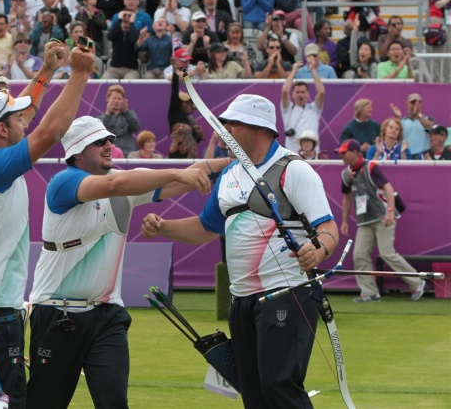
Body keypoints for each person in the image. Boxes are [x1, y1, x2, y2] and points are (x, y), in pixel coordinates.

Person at [141, 93, 338, 409]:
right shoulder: (230, 174)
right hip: (242, 300)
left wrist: (316, 251)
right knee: (254, 391)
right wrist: (164, 226)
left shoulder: (293, 169)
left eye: (232, 124)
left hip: (286, 292)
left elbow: (328, 230)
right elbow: (206, 228)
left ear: (258, 128)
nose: (224, 131)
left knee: (279, 385)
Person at [26, 115, 218, 408]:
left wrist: (240, 164)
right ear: (76, 151)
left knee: (114, 401)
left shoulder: (123, 182)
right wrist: (179, 174)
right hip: (57, 312)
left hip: (107, 316)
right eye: (98, 142)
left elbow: (194, 174)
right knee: (44, 402)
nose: (108, 145)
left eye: (110, 140)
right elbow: (119, 184)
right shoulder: (63, 182)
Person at [0, 39, 95, 409]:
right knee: (4, 404)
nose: (24, 120)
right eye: (16, 119)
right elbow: (48, 132)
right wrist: (79, 73)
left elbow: (28, 114)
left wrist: (46, 71)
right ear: (1, 130)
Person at [338, 138, 425, 303]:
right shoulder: (345, 174)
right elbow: (347, 198)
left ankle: (417, 281)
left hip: (383, 217)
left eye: (344, 152)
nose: (341, 155)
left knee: (387, 253)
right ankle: (369, 292)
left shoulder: (371, 167)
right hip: (364, 221)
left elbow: (388, 189)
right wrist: (344, 222)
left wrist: (390, 212)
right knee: (359, 255)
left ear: (355, 153)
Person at [280, 59, 325, 153]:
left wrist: (313, 70)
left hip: (312, 155)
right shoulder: (287, 109)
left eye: (303, 92)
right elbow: (284, 91)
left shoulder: (314, 109)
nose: (300, 94)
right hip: (291, 155)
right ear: (293, 94)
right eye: (297, 92)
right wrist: (293, 72)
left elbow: (321, 92)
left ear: (308, 94)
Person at [97, 84, 140, 157]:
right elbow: (99, 133)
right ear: (108, 99)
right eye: (114, 98)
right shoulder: (100, 118)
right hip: (108, 153)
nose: (116, 101)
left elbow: (136, 127)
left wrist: (126, 112)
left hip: (127, 153)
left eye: (119, 99)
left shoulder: (130, 114)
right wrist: (107, 114)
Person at [389, 93, 435, 158]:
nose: (416, 105)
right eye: (413, 102)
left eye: (419, 102)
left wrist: (418, 114)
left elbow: (431, 128)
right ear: (407, 104)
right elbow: (394, 137)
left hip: (423, 157)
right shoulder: (402, 121)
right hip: (405, 156)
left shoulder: (428, 119)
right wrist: (398, 118)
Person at [101, 11, 140, 79]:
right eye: (124, 20)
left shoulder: (135, 33)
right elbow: (109, 36)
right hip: (114, 68)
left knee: (130, 83)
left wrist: (131, 23)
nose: (126, 20)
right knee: (104, 81)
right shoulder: (116, 32)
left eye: (128, 20)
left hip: (131, 70)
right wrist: (119, 20)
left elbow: (133, 39)